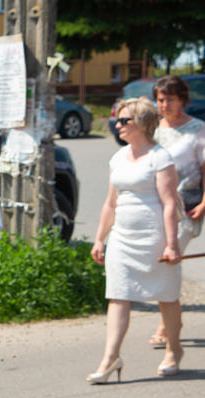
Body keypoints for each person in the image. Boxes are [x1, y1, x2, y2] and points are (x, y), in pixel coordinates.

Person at [89, 97, 182, 381]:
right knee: (118, 295)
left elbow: (169, 203)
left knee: (166, 296)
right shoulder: (118, 158)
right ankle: (110, 358)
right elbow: (110, 203)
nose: (117, 125)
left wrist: (171, 243)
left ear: (141, 123)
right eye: (116, 120)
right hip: (122, 239)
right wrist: (99, 239)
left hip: (153, 237)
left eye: (123, 120)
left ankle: (174, 350)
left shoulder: (160, 157)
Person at [147, 75, 205, 347]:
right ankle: (172, 319)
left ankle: (166, 325)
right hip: (155, 207)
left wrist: (204, 203)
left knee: (170, 263)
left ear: (182, 100)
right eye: (160, 99)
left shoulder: (197, 130)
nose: (164, 105)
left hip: (187, 208)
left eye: (169, 99)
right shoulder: (153, 130)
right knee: (161, 264)